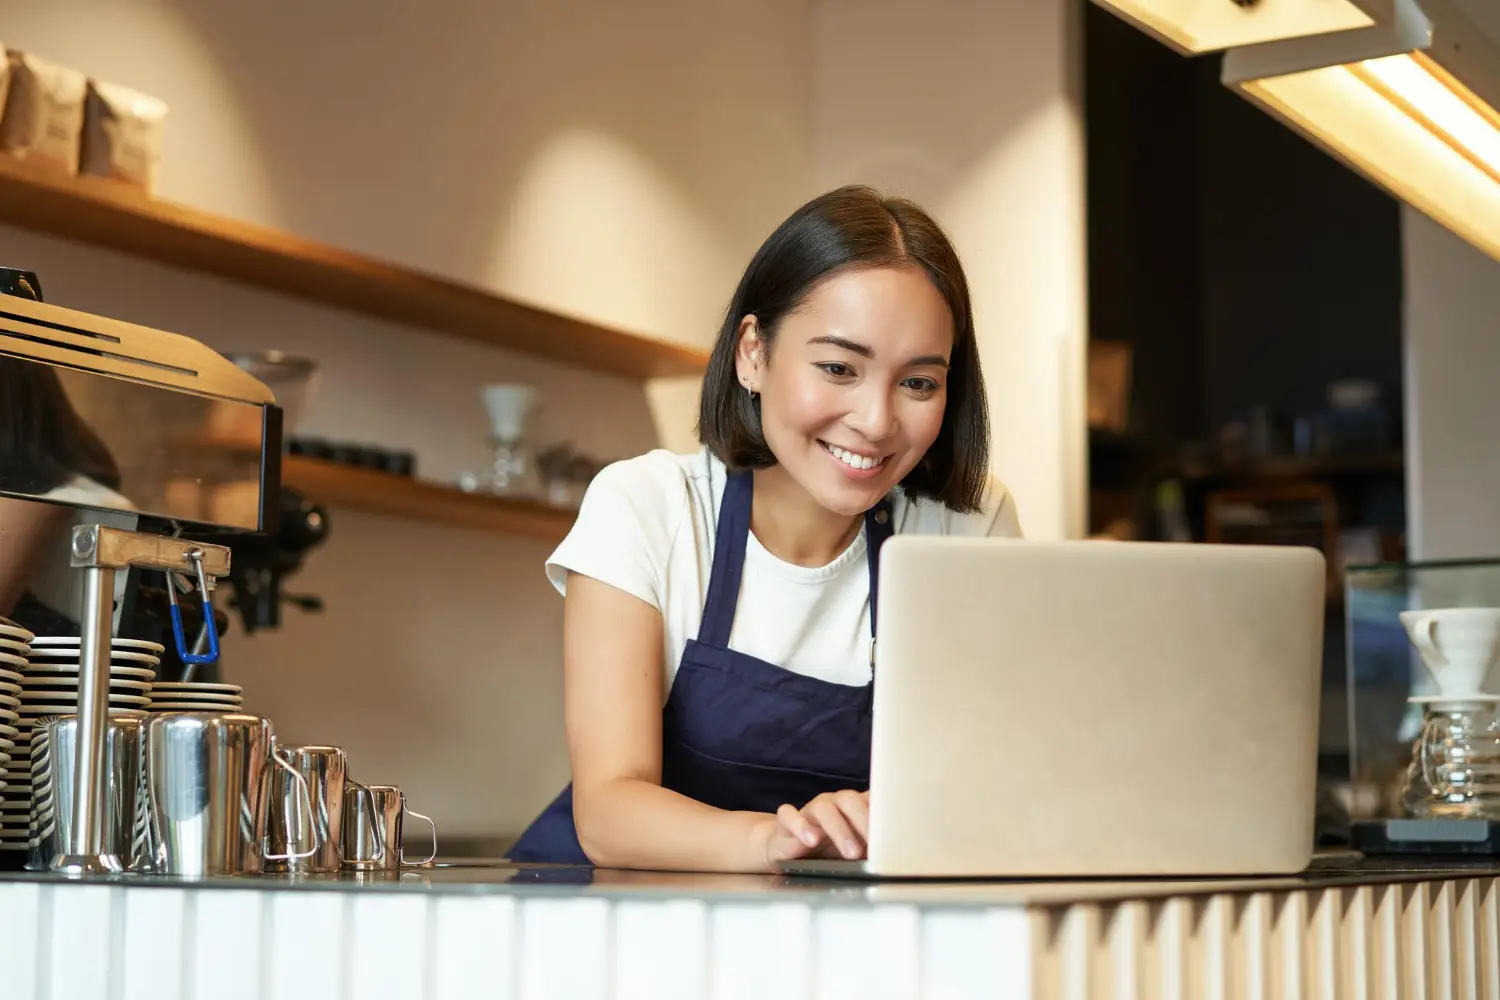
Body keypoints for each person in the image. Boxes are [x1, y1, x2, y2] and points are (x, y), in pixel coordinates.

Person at [507, 186, 1024, 873]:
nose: (876, 420)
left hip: (837, 937)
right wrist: (781, 839)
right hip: (618, 929)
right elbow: (609, 808)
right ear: (753, 353)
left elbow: (988, 782)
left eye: (919, 383)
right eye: (839, 368)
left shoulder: (965, 527)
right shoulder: (648, 507)